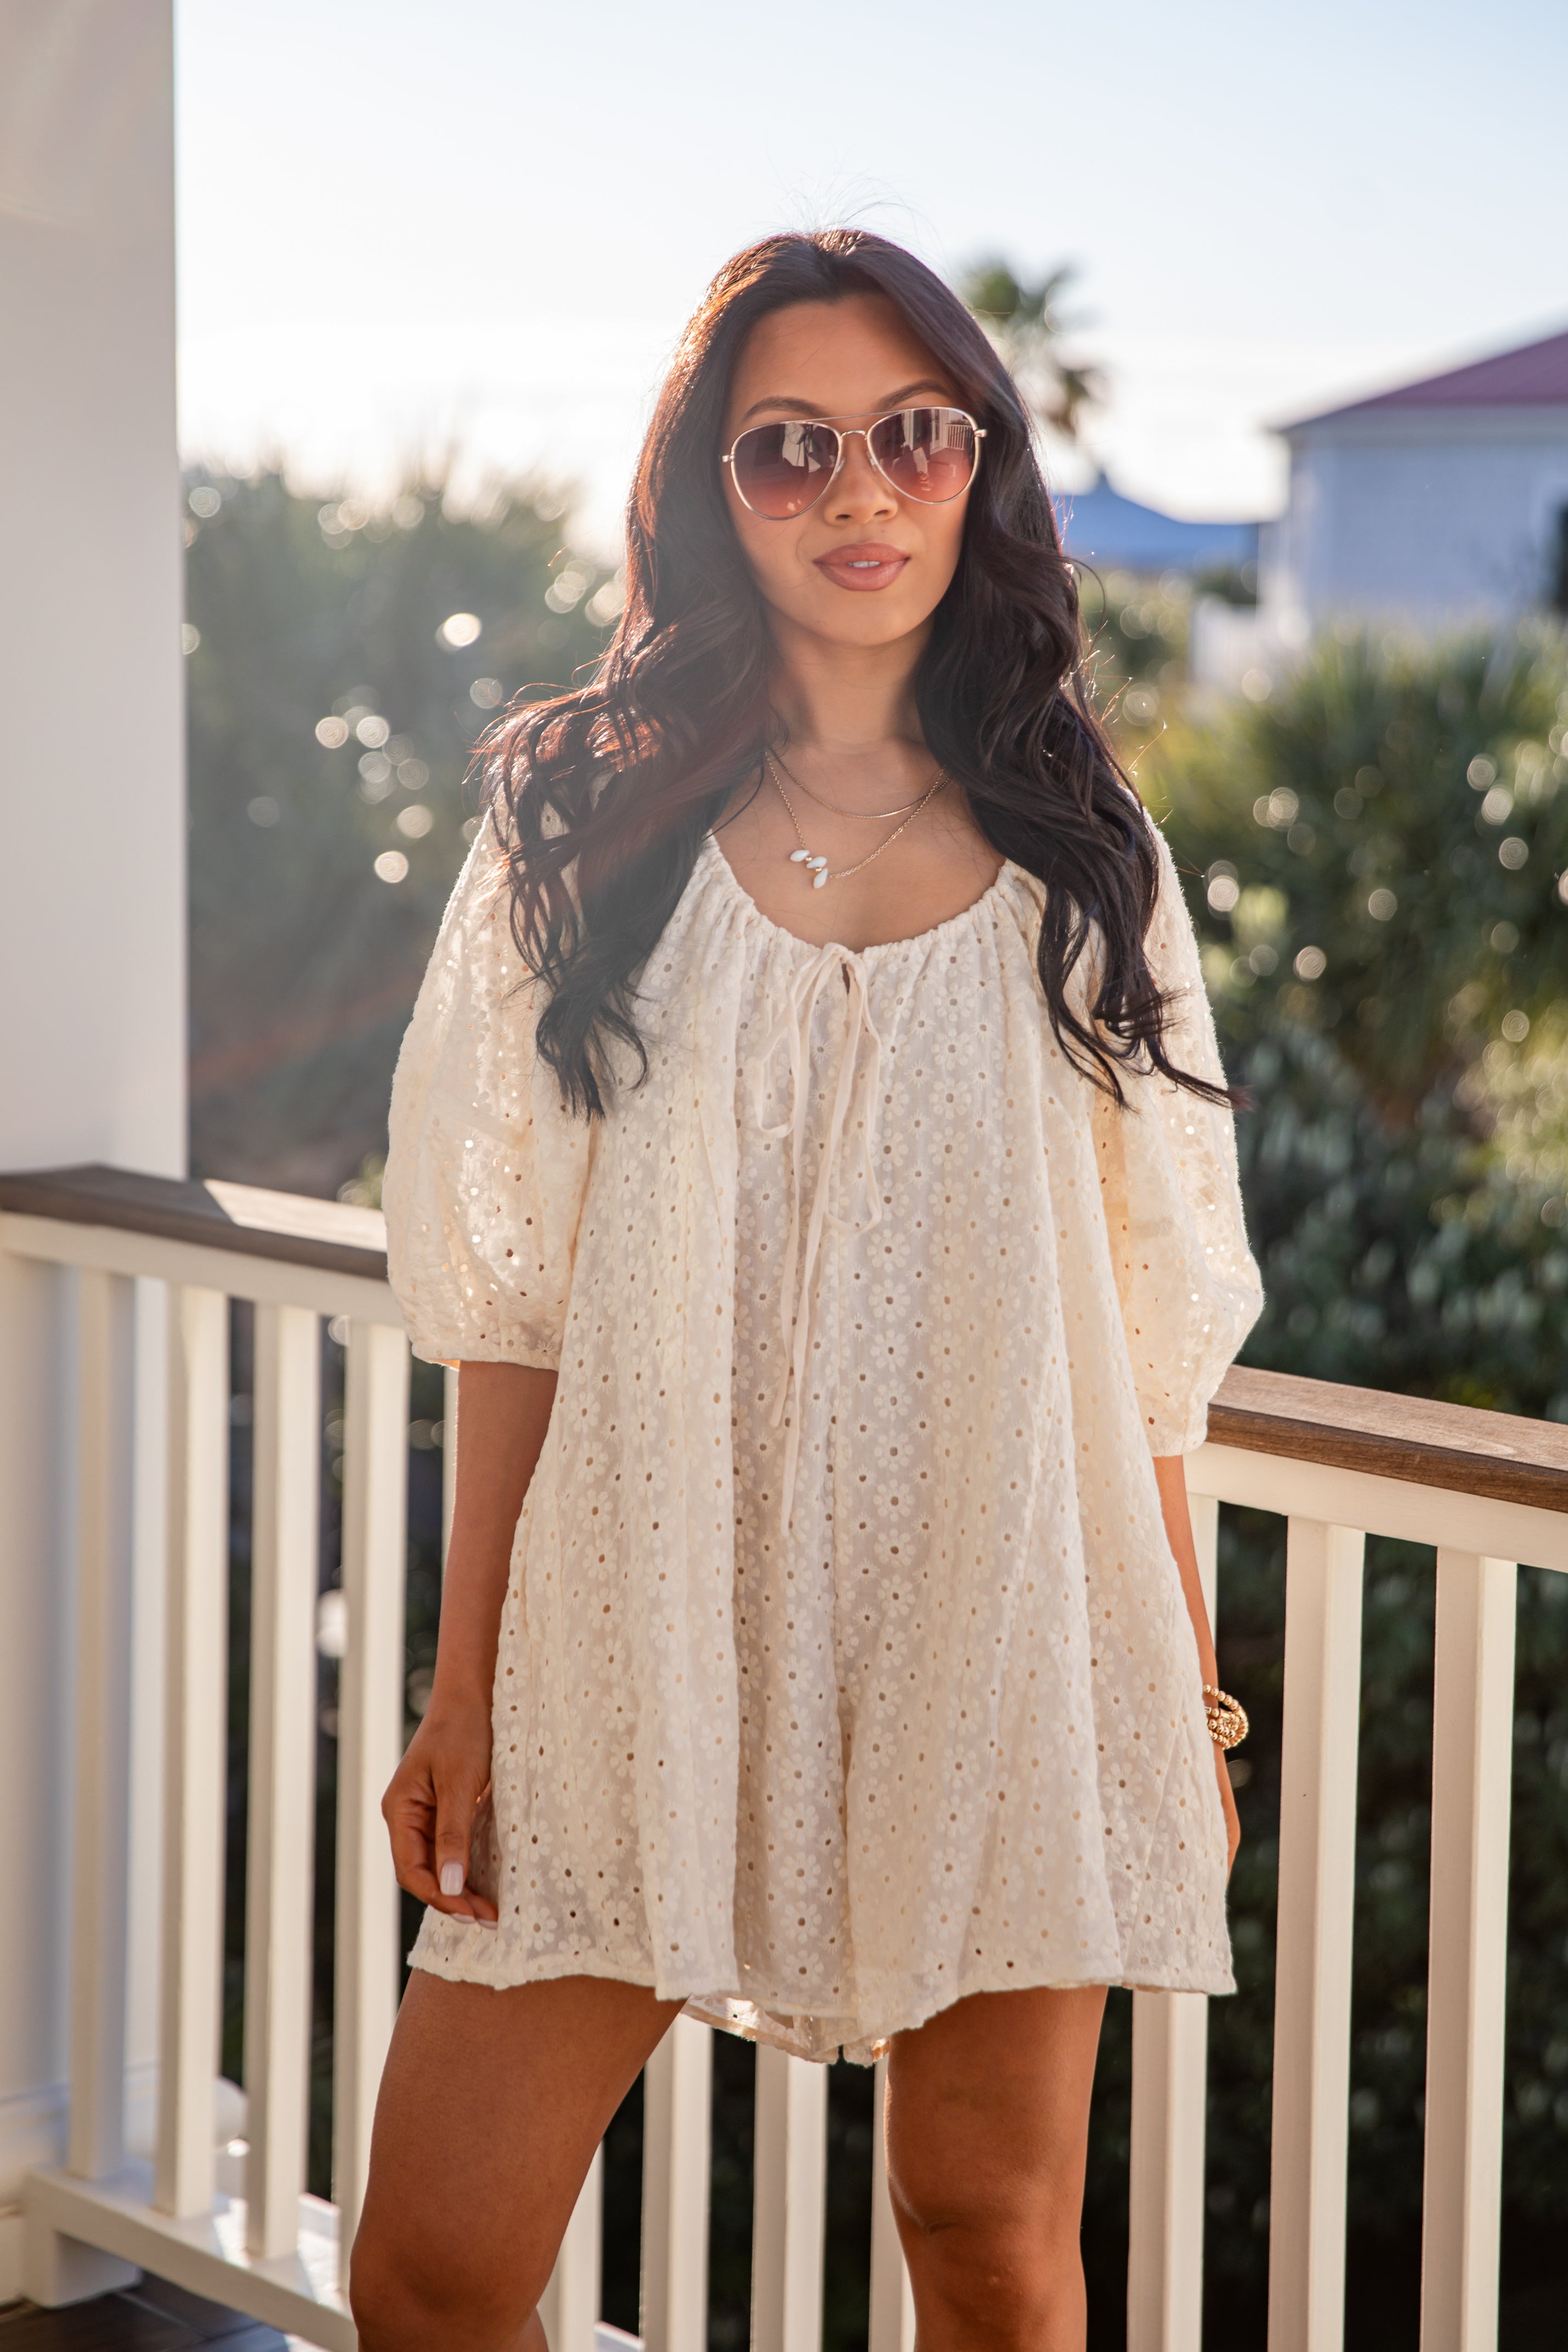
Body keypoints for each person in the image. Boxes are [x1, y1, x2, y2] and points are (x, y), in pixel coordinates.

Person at [350, 228, 1261, 2352]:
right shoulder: (577, 819)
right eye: (790, 450)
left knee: (984, 2237)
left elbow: (1148, 1321)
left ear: (980, 466)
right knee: (434, 2261)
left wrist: (1182, 1693)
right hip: (629, 1607)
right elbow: (509, 1293)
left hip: (1008, 1623)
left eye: (912, 434)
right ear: (711, 489)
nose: (861, 493)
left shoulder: (1085, 843)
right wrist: (467, 1679)